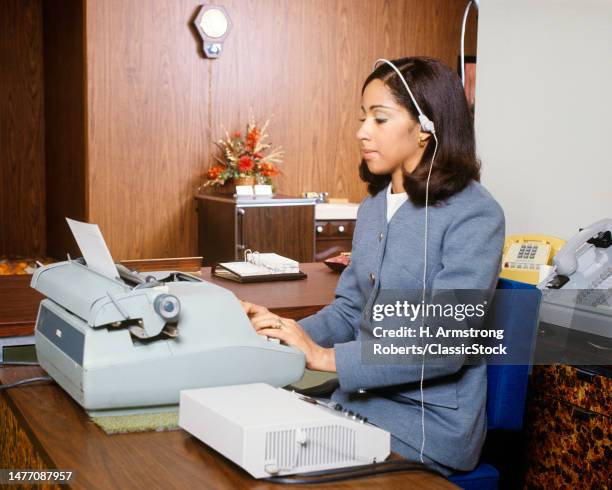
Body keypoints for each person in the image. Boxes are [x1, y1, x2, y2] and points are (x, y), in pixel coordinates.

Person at [241, 57, 504, 476]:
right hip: (357, 403)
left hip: (426, 430)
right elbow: (348, 311)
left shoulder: (475, 215)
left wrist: (327, 358)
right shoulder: (373, 208)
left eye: (380, 119)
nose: (362, 132)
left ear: (426, 128)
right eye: (363, 118)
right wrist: (284, 333)